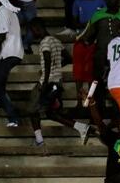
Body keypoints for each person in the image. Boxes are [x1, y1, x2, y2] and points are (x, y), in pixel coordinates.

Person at [28, 19, 91, 147]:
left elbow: (47, 59)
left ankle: (39, 141)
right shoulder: (55, 40)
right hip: (57, 83)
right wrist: (55, 66)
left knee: (31, 110)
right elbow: (69, 58)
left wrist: (44, 82)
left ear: (36, 28)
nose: (32, 33)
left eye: (32, 30)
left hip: (48, 82)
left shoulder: (45, 42)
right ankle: (81, 127)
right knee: (51, 113)